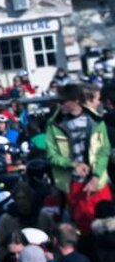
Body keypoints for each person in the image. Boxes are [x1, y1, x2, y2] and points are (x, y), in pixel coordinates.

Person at [46, 83, 110, 219]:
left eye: (63, 102)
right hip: (73, 185)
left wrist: (96, 177)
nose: (60, 105)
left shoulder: (96, 121)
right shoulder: (54, 125)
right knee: (83, 224)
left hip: (98, 183)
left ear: (75, 101)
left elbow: (104, 151)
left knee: (108, 223)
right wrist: (73, 164)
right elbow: (52, 156)